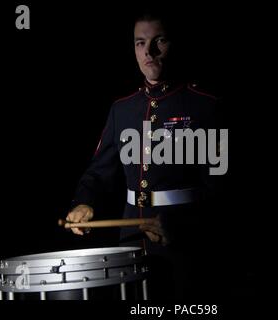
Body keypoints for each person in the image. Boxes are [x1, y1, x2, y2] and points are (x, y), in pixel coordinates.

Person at [66, 11, 225, 300]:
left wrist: (184, 225)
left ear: (174, 43)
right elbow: (99, 171)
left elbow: (224, 190)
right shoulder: (122, 109)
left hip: (186, 244)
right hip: (130, 239)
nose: (148, 52)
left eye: (158, 41)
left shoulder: (206, 106)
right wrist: (84, 201)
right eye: (140, 43)